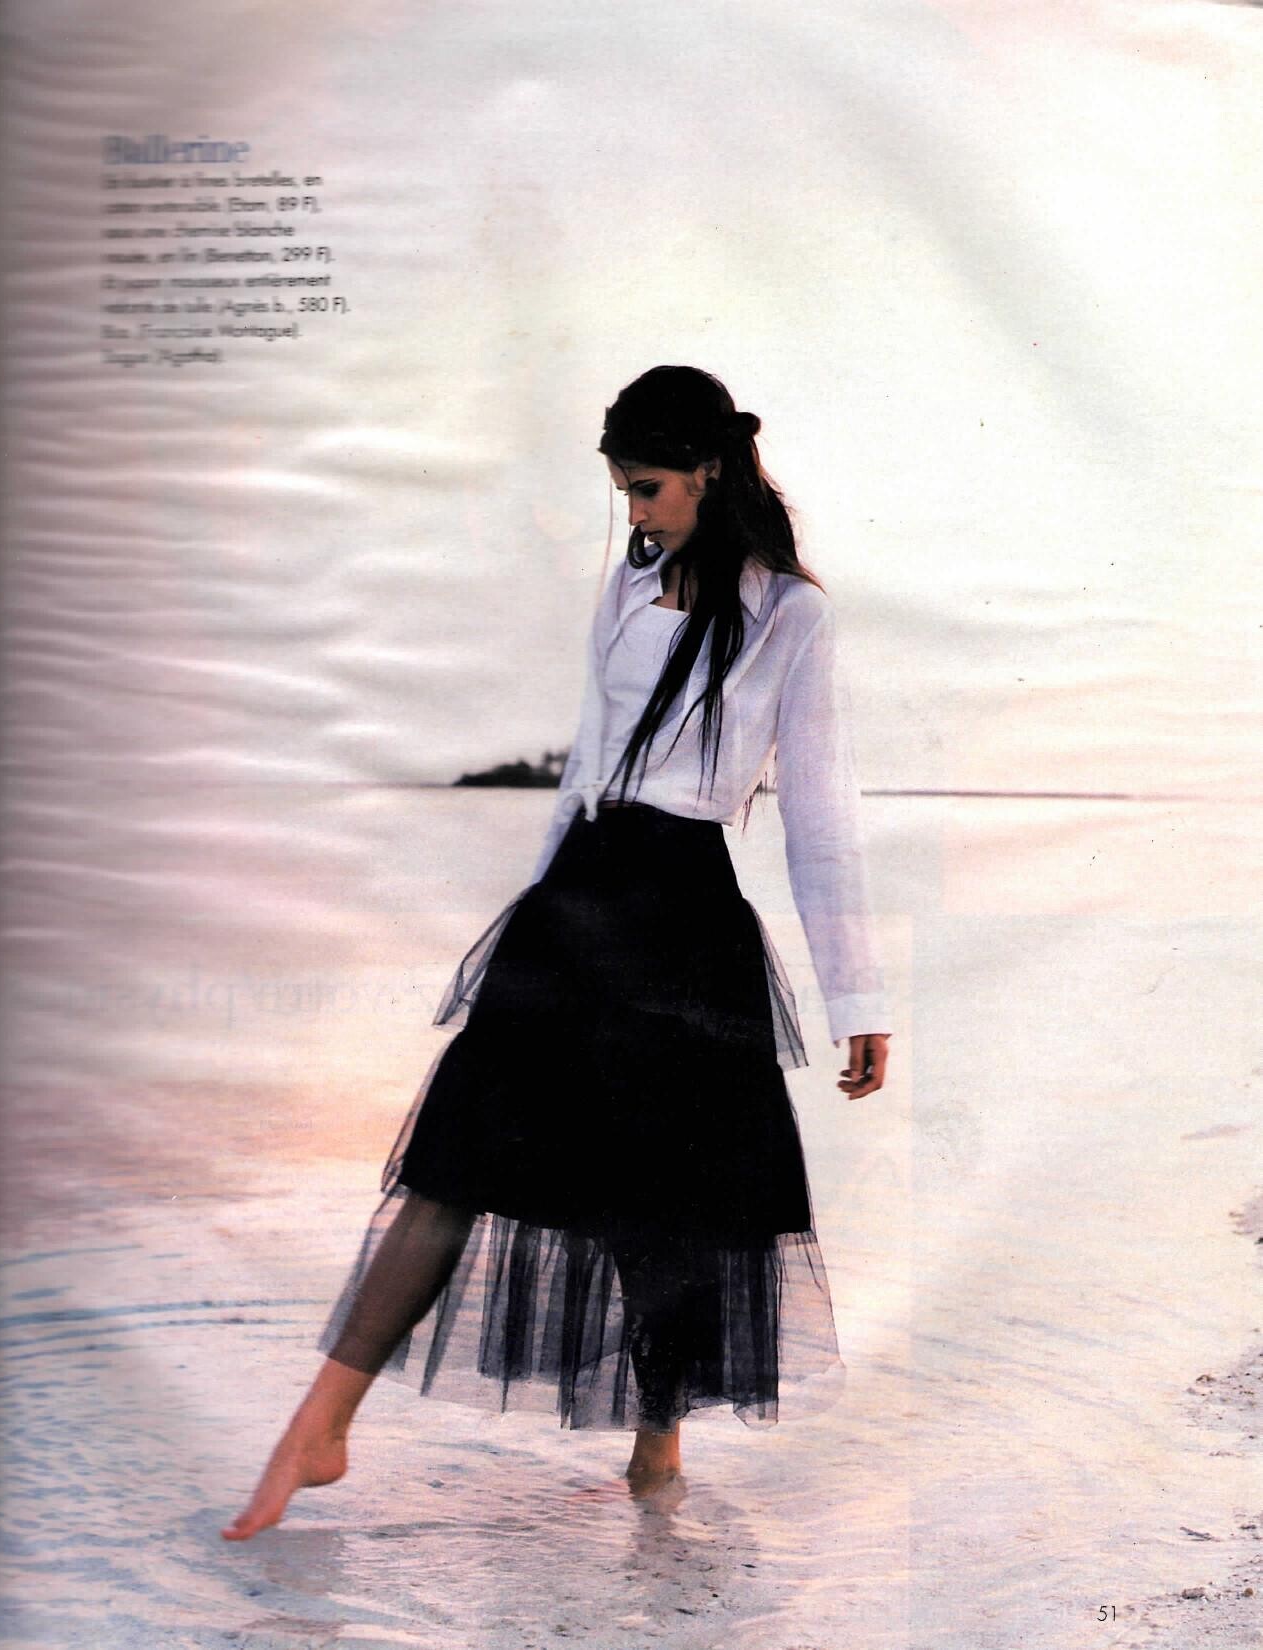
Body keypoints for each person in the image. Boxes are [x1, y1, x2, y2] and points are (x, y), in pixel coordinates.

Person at [222, 364, 891, 1541]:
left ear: (709, 471)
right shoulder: (625, 582)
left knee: (668, 1208)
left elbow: (820, 812)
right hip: (578, 902)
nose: (635, 511)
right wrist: (533, 905)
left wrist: (858, 997)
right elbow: (589, 760)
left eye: (648, 487)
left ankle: (658, 1451)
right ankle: (320, 1425)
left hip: (683, 919)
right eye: (623, 490)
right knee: (452, 1161)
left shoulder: (792, 615)